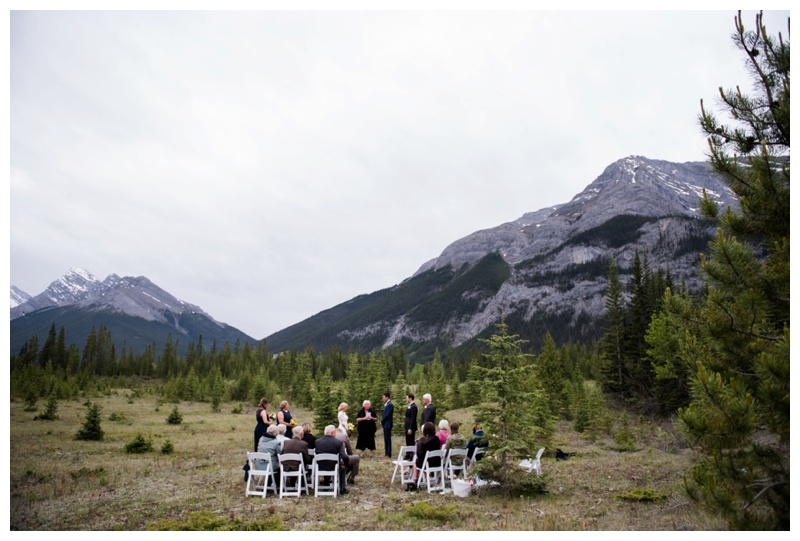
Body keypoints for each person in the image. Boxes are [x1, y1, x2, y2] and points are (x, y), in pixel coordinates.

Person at [314, 424, 351, 495]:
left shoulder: (317, 442)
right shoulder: (338, 443)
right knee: (342, 468)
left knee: (325, 462)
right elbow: (344, 456)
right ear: (332, 433)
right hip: (334, 466)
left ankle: (326, 484)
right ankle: (342, 488)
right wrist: (345, 464)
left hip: (320, 466)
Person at [409, 421, 441, 491]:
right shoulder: (437, 439)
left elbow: (418, 453)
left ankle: (416, 480)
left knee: (416, 462)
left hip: (426, 463)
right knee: (423, 461)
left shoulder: (422, 440)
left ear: (424, 430)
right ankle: (427, 479)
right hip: (437, 463)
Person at [381, 391, 394, 459]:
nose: (383, 398)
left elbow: (387, 415)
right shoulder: (386, 404)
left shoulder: (390, 404)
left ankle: (388, 454)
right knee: (386, 439)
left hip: (387, 424)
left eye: (383, 397)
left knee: (388, 439)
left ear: (387, 397)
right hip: (385, 424)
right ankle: (386, 453)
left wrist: (382, 421)